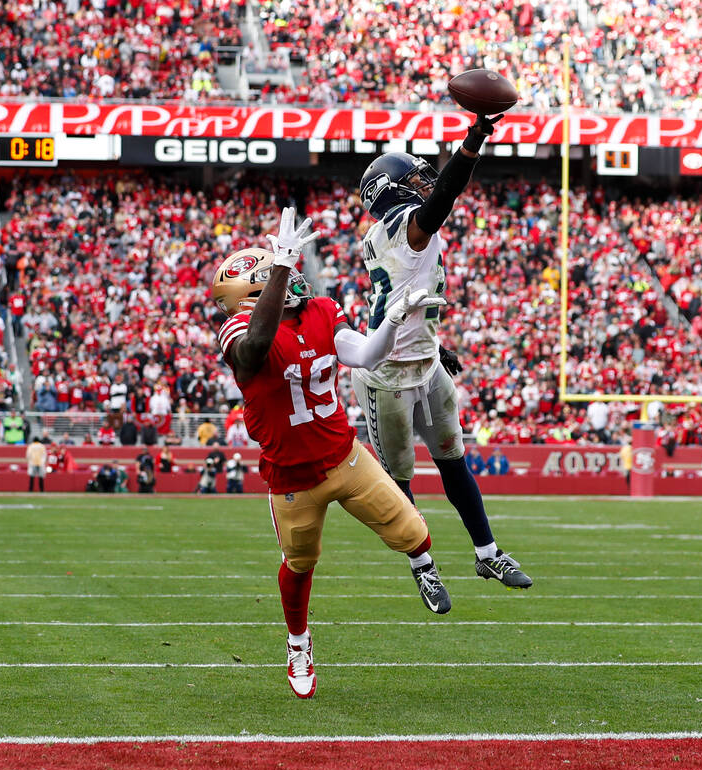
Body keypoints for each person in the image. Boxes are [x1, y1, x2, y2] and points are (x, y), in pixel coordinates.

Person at [212, 208, 451, 698]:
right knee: (300, 564)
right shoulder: (239, 332)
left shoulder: (321, 312)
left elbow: (364, 354)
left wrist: (393, 320)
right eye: (277, 273)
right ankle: (298, 643)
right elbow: (256, 348)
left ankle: (423, 570)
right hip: (292, 476)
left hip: (346, 456)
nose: (293, 273)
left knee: (415, 533)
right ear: (254, 293)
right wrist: (278, 263)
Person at [351, 116, 532, 591]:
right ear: (390, 191)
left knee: (453, 459)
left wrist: (437, 344)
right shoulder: (405, 226)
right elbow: (445, 197)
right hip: (388, 374)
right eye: (413, 177)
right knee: (402, 480)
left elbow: (405, 295)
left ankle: (487, 554)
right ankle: (422, 567)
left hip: (425, 361)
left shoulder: (389, 234)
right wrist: (473, 140)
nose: (424, 181)